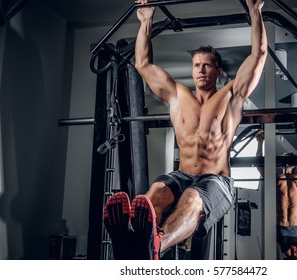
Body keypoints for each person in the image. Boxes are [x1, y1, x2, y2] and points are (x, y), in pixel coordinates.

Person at [103, 0, 267, 260]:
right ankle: (132, 241)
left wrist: (255, 11)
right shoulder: (178, 96)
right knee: (154, 193)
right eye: (196, 65)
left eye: (207, 65)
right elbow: (143, 65)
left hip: (216, 181)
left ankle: (155, 246)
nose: (201, 70)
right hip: (182, 174)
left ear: (218, 70)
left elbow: (258, 56)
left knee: (192, 197)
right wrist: (145, 20)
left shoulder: (231, 95)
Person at [256, 128, 297, 260]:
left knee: (294, 257)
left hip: (283, 228)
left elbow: (260, 166)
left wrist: (260, 141)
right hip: (293, 228)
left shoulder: (282, 179)